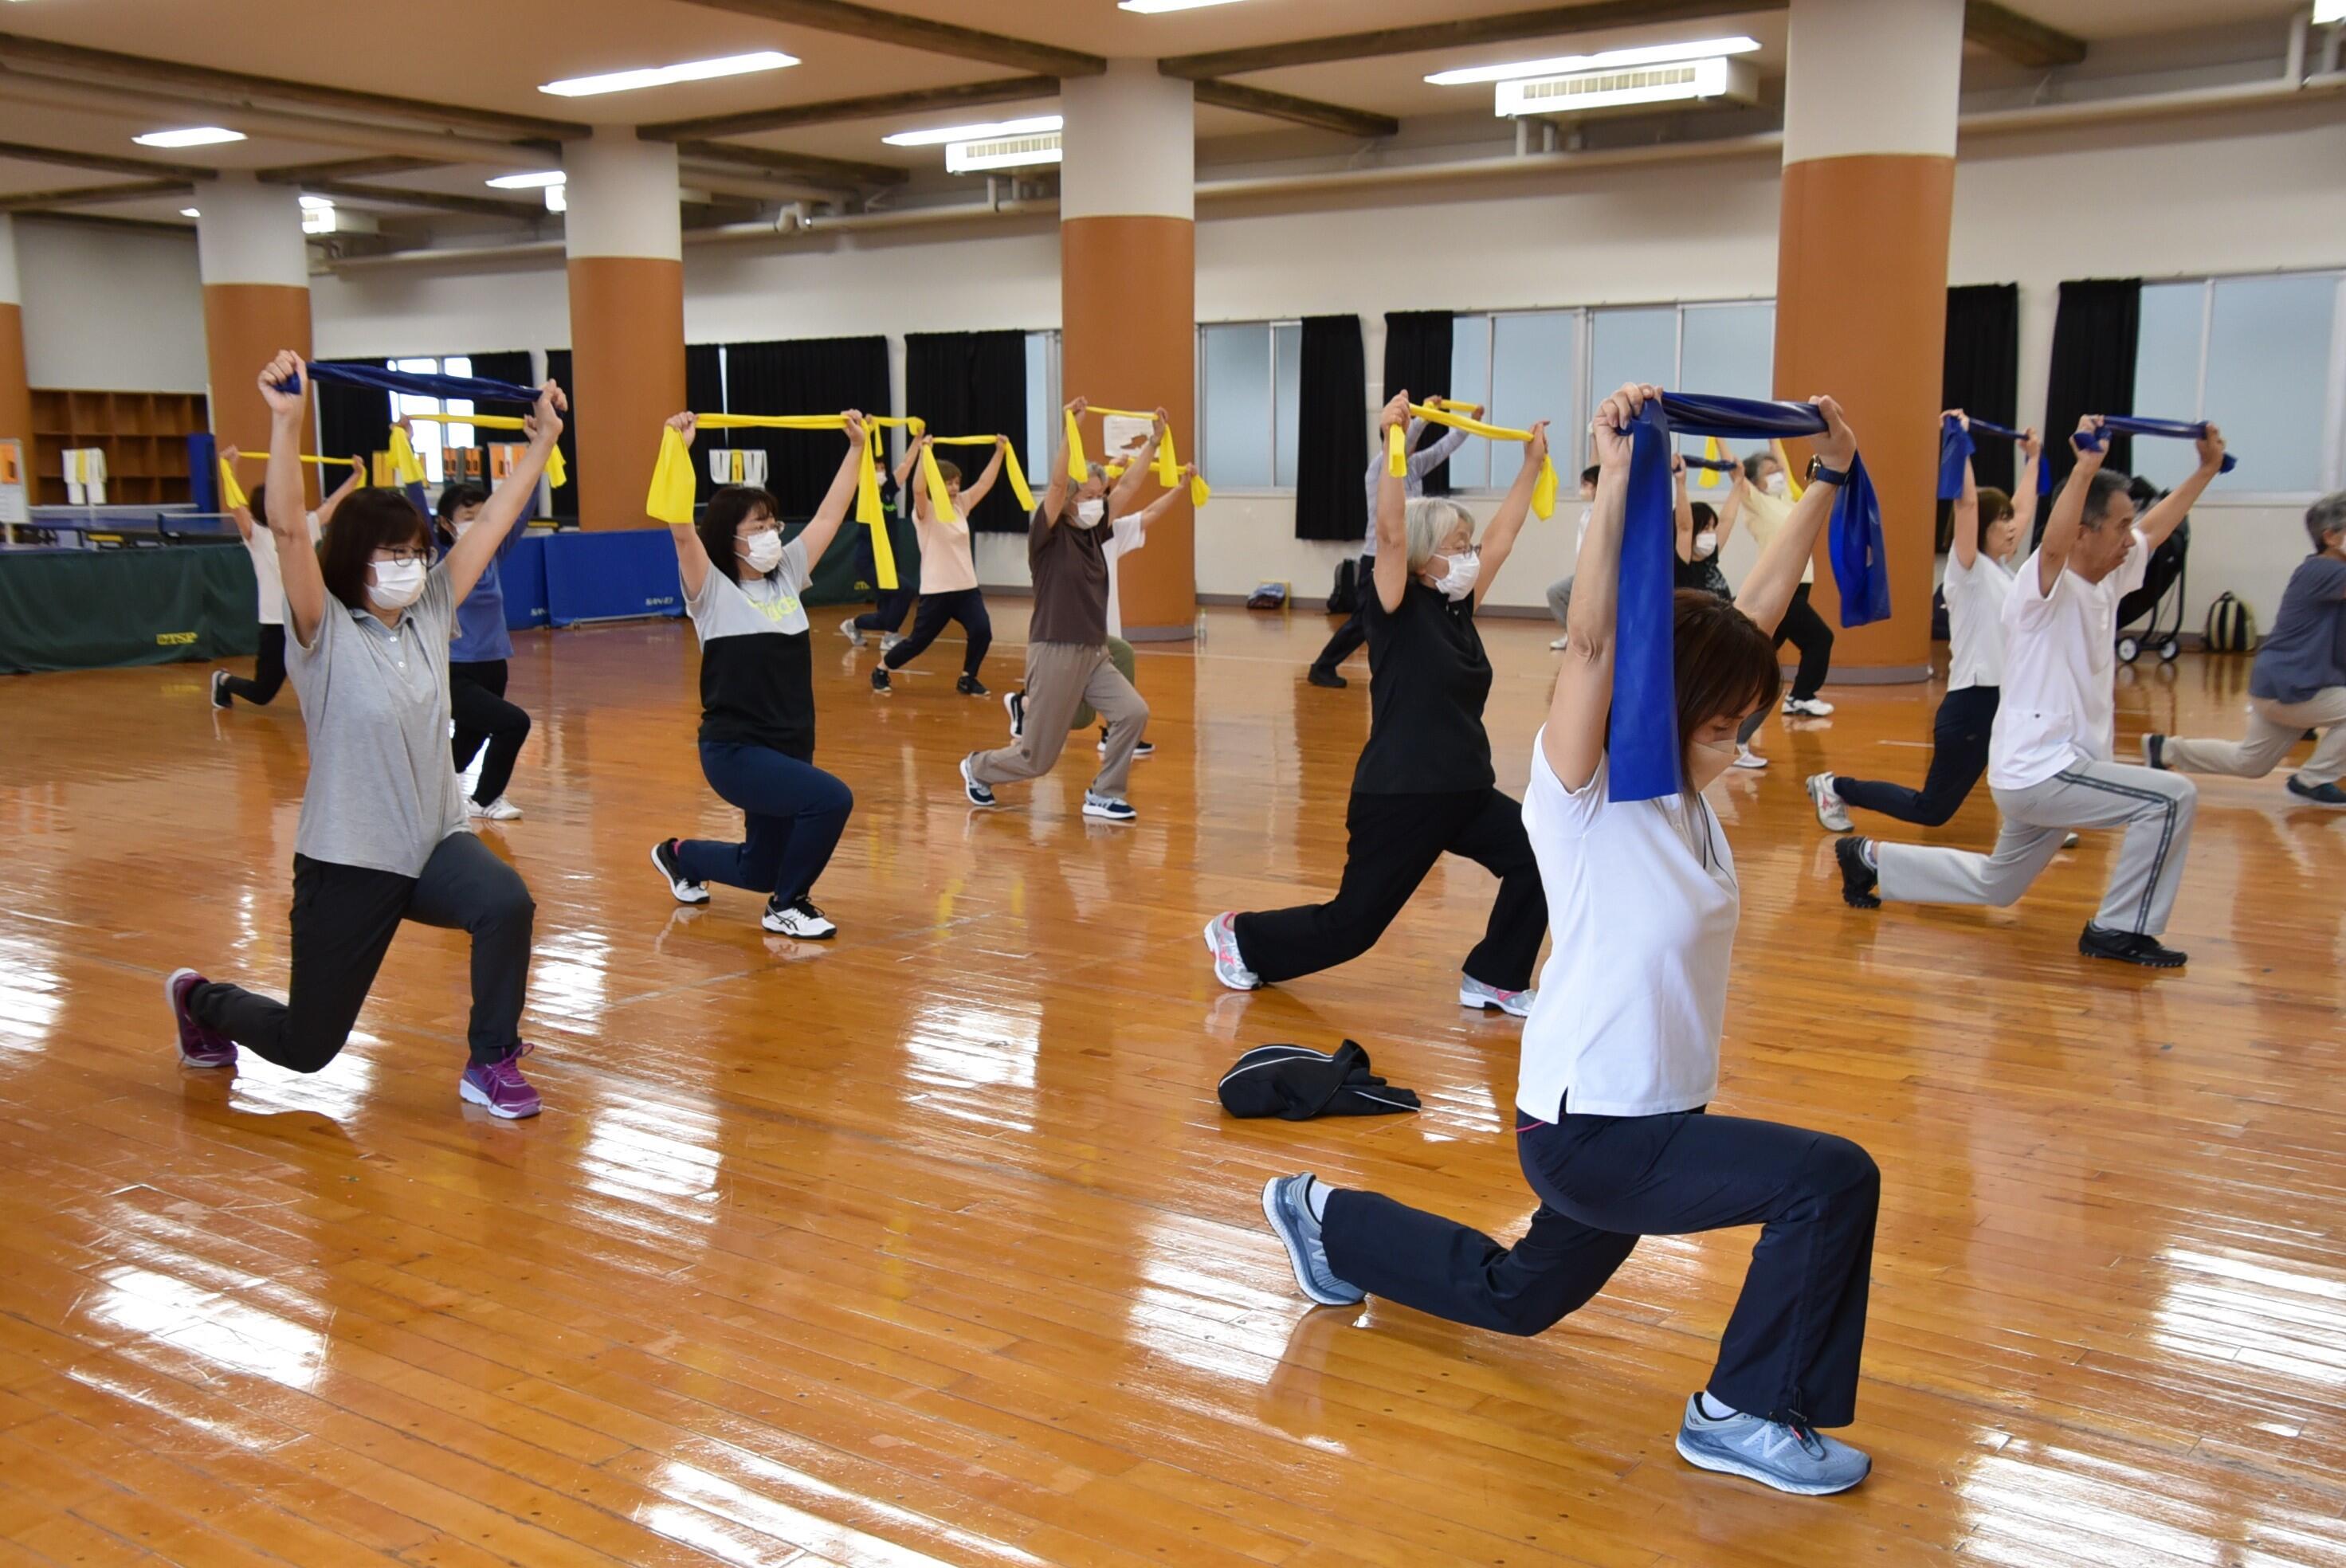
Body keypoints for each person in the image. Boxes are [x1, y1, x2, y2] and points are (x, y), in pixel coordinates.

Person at [1256, 382, 1881, 1497]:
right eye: (1724, 725)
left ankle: (1324, 1219)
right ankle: (1740, 1413)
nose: (1740, 745)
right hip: (1597, 1128)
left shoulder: (1684, 793)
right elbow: (1591, 645)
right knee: (1829, 1181)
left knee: (1519, 1297)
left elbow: (1755, 614)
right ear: (1670, 708)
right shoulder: (1584, 794)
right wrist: (1618, 475)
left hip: (1641, 1112)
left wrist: (1829, 474)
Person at [164, 351, 561, 1119]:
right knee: (308, 1046)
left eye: (416, 553)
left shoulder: (430, 612)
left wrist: (541, 443)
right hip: (349, 860)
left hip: (434, 843)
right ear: (354, 559)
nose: (411, 566)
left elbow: (493, 524)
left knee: (505, 901)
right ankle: (201, 1001)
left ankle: (490, 1060)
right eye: (392, 554)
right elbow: (288, 532)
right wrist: (288, 423)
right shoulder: (322, 629)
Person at [1206, 390, 1550, 1017]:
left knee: (1539, 856)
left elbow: (1504, 536)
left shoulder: (1457, 607)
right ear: (1421, 557)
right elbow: (1390, 533)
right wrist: (1393, 441)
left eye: (1468, 546)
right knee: (1353, 927)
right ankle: (1243, 936)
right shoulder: (1394, 605)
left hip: (1465, 791)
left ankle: (1495, 975)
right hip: (1403, 795)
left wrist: (1530, 465)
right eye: (1457, 547)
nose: (1469, 557)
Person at [1836, 417, 2225, 970]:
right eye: (2120, 526)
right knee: (2171, 798)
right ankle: (2118, 930)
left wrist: (2205, 471)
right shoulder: (2042, 587)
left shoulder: (2109, 576)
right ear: (2084, 532)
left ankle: (1869, 859)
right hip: (2043, 768)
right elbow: (2053, 546)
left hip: (2049, 769)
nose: (2130, 537)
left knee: (1998, 885)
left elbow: (2156, 530)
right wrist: (2084, 469)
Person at [648, 411, 865, 939]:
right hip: (736, 750)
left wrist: (857, 449)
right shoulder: (711, 589)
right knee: (831, 799)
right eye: (758, 527)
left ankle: (678, 856)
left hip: (791, 743)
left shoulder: (787, 572)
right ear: (730, 537)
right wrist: (677, 450)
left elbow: (831, 513)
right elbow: (681, 531)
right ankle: (787, 906)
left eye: (773, 525)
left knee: (760, 867)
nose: (771, 534)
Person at [1807, 415, 2039, 832]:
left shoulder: (2002, 570)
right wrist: (1960, 444)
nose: (2012, 527)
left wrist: (2034, 460)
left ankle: (2045, 819)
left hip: (2003, 698)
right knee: (1931, 810)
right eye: (2002, 520)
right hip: (1971, 705)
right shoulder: (1968, 572)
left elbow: (2024, 509)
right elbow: (1967, 504)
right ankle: (1835, 787)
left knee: (2029, 766)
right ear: (1982, 528)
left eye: (2010, 520)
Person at [956, 398, 1163, 824]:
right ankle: (978, 767)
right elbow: (1054, 485)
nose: (1096, 502)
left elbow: (1128, 488)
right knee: (1037, 760)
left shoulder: (1095, 531)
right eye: (1087, 495)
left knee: (1133, 713)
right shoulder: (1047, 535)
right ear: (1070, 497)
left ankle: (1104, 794)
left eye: (1099, 496)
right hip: (1055, 650)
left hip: (1093, 651)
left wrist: (1154, 443)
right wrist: (1071, 429)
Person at [2143, 491, 2346, 806]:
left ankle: (2166, 750)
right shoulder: (2322, 571)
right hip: (2293, 686)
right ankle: (2312, 781)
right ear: (2331, 537)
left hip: (2284, 685)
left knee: (2250, 763)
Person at [1308, 403, 1473, 689]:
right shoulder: (1379, 468)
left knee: (1400, 617)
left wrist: (1469, 423)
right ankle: (1323, 666)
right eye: (1403, 435)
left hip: (1408, 557)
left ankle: (1403, 670)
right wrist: (1421, 418)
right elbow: (1404, 442)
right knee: (1363, 621)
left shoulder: (1414, 466)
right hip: (1378, 558)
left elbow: (1442, 449)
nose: (1412, 444)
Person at [209, 453, 355, 710]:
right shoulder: (256, 535)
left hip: (309, 618)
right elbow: (236, 505)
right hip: (276, 623)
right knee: (262, 693)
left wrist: (356, 475)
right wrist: (228, 470)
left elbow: (333, 504)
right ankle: (223, 680)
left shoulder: (303, 528)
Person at [1728, 447, 1838, 769]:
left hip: (1799, 591)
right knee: (1820, 639)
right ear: (1755, 481)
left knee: (1757, 669)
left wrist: (1779, 434)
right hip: (1782, 591)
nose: (1778, 474)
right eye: (1770, 471)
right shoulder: (1756, 503)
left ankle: (1732, 733)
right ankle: (1800, 697)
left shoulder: (1788, 501)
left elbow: (1784, 462)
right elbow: (1735, 470)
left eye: (1779, 469)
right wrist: (1717, 434)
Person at [871, 433, 1004, 697]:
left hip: (966, 588)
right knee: (918, 642)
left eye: (956, 482)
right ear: (937, 483)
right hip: (937, 591)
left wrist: (999, 452)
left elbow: (984, 483)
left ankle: (968, 678)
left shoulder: (961, 504)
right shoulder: (926, 510)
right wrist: (924, 454)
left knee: (982, 631)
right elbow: (918, 489)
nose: (954, 488)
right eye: (948, 482)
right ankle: (881, 669)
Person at [433, 480, 534, 822]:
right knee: (513, 724)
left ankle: (419, 789)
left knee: (465, 748)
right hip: (455, 668)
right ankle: (485, 799)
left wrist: (542, 461)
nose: (476, 523)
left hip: (494, 665)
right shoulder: (441, 560)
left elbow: (521, 511)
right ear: (446, 523)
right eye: (468, 517)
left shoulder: (492, 556)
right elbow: (418, 506)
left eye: (482, 516)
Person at [1542, 465, 1603, 650]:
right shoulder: (1587, 512)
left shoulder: (1607, 512)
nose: (1583, 488)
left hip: (1601, 575)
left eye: (1587, 484)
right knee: (1556, 592)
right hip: (1584, 572)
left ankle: (1592, 640)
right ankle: (1573, 635)